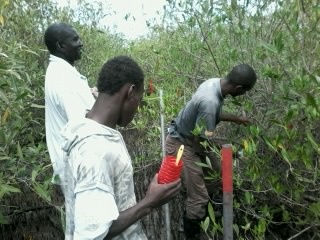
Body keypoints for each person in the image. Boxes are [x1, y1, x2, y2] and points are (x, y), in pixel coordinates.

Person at [60, 56, 181, 239]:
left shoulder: (89, 129)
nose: (136, 108)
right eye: (138, 101)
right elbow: (91, 235)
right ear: (130, 92)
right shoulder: (95, 151)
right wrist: (149, 203)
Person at [165, 64, 257, 239]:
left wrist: (237, 119)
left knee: (218, 175)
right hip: (181, 145)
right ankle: (190, 231)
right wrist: (229, 152)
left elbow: (214, 114)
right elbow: (201, 141)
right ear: (238, 88)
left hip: (191, 140)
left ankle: (203, 212)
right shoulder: (210, 101)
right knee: (199, 197)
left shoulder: (214, 83)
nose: (243, 95)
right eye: (244, 92)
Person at [44, 23, 97, 186]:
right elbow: (84, 126)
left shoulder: (60, 73)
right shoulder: (64, 79)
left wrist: (92, 95)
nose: (80, 43)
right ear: (61, 46)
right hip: (81, 172)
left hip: (75, 170)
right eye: (75, 40)